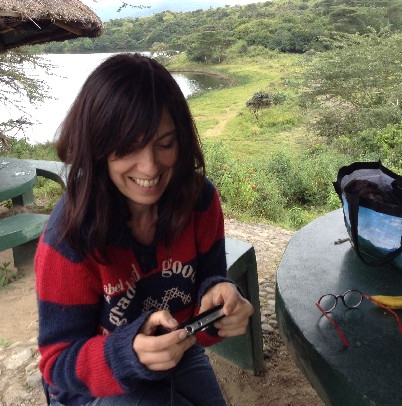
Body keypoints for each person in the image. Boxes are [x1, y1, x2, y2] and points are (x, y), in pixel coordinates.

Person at [34, 53, 254, 406]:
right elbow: (57, 364)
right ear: (97, 147)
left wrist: (221, 305)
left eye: (165, 144)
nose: (150, 167)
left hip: (177, 352)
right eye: (127, 148)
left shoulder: (198, 202)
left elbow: (207, 292)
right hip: (90, 388)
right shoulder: (69, 237)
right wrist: (129, 354)